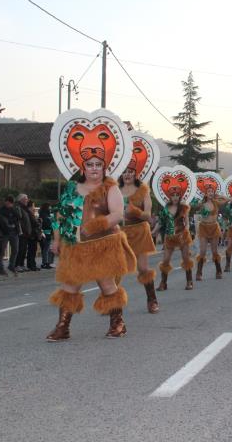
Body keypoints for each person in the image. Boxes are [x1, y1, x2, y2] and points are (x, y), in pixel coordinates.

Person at [46, 110, 136, 341]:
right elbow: (60, 215)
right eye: (90, 164)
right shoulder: (71, 189)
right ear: (83, 167)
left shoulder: (110, 188)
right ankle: (63, 327)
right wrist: (56, 241)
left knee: (106, 284)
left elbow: (117, 214)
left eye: (98, 164)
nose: (94, 168)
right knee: (70, 285)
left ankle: (118, 324)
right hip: (74, 246)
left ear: (104, 167)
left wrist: (95, 225)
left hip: (101, 244)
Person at [119, 152, 159, 314]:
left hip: (140, 231)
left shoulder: (143, 190)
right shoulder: (114, 190)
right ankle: (113, 304)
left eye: (130, 171)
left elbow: (148, 215)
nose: (127, 174)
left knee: (143, 268)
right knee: (115, 269)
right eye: (124, 171)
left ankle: (152, 299)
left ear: (135, 173)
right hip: (120, 232)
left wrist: (133, 210)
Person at [154, 172, 195, 291]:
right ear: (169, 196)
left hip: (182, 235)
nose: (175, 197)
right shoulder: (165, 209)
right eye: (173, 195)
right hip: (169, 236)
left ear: (180, 196)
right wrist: (154, 231)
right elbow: (160, 222)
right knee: (165, 260)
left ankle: (189, 281)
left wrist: (186, 232)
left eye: (177, 195)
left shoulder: (184, 208)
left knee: (186, 258)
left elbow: (187, 222)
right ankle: (163, 283)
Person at [193, 183, 228, 281]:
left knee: (214, 251)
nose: (210, 193)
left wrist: (219, 195)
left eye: (212, 191)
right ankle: (199, 273)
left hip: (214, 228)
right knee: (203, 251)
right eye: (208, 191)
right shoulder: (202, 204)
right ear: (205, 193)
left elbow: (227, 200)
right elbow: (192, 206)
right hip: (203, 228)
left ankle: (218, 271)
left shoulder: (216, 202)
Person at [0, 196, 20, 276]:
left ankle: (11, 265)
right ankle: (0, 268)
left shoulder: (14, 209)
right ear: (6, 201)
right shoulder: (1, 209)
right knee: (1, 251)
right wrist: (11, 219)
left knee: (15, 249)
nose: (9, 204)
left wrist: (12, 210)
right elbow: (1, 219)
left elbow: (18, 217)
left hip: (14, 231)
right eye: (8, 202)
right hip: (4, 232)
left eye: (11, 203)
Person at [14, 193, 32, 273]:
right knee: (20, 249)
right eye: (26, 199)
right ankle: (17, 265)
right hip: (22, 232)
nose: (27, 200)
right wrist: (22, 230)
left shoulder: (25, 208)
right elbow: (19, 219)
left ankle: (21, 264)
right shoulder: (19, 207)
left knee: (24, 249)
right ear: (21, 200)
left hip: (26, 232)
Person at [25, 199, 42, 271]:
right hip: (32, 234)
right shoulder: (30, 213)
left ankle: (31, 265)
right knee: (32, 250)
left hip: (32, 234)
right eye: (33, 206)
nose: (34, 208)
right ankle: (32, 265)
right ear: (30, 206)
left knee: (32, 250)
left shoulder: (29, 213)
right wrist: (39, 221)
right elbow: (35, 223)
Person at [38, 202, 54, 269]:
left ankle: (47, 262)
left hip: (47, 233)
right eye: (49, 207)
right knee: (46, 249)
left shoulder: (44, 214)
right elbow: (47, 224)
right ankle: (45, 263)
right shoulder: (45, 215)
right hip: (46, 233)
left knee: (46, 249)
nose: (50, 209)